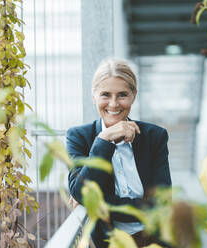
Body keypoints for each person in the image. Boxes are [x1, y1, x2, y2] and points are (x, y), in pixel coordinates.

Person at [66, 58, 172, 248]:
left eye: (122, 95)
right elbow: (82, 192)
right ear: (94, 96)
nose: (114, 104)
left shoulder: (154, 136)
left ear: (134, 96)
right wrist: (104, 140)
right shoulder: (79, 137)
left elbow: (161, 203)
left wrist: (99, 205)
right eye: (105, 95)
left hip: (153, 239)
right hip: (107, 242)